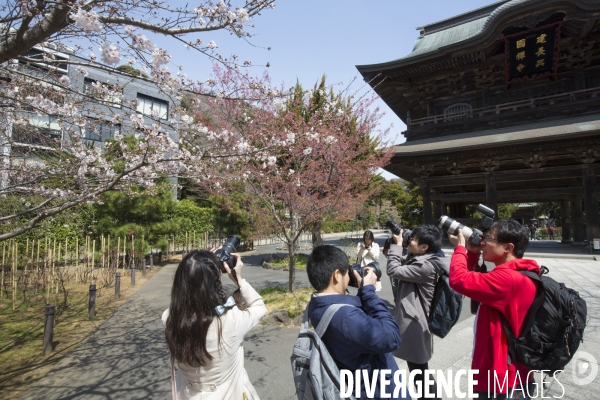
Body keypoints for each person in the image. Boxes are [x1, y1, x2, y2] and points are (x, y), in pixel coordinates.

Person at [447, 220, 539, 399]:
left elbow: (458, 280)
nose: (482, 242)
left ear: (508, 247)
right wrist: (472, 254)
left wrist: (460, 248)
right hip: (512, 370)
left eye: (488, 238)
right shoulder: (519, 272)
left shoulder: (507, 279)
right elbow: (470, 279)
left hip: (501, 376)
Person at [306, 245, 408, 399]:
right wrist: (369, 293)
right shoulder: (346, 317)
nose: (349, 277)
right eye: (347, 272)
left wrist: (361, 293)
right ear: (336, 276)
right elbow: (392, 337)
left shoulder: (317, 304)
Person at [163, 250, 267, 400]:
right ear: (215, 281)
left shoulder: (170, 319)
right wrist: (237, 279)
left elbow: (186, 303)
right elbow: (259, 307)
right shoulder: (230, 320)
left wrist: (201, 262)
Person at [386, 225, 448, 400]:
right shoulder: (425, 259)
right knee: (419, 370)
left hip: (415, 324)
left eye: (413, 239)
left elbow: (393, 270)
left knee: (419, 371)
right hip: (415, 320)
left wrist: (397, 245)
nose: (409, 240)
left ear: (424, 247)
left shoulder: (425, 266)